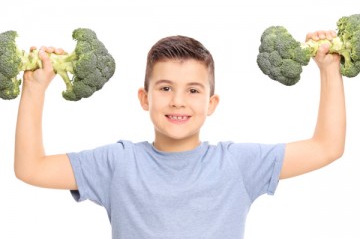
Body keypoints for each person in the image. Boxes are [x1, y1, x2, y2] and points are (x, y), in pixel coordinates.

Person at [14, 30, 345, 239]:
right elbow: (32, 168)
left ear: (211, 103)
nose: (178, 101)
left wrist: (330, 71)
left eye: (193, 90)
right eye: (166, 87)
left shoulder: (237, 164)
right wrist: (34, 89)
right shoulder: (118, 162)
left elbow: (326, 146)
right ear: (145, 98)